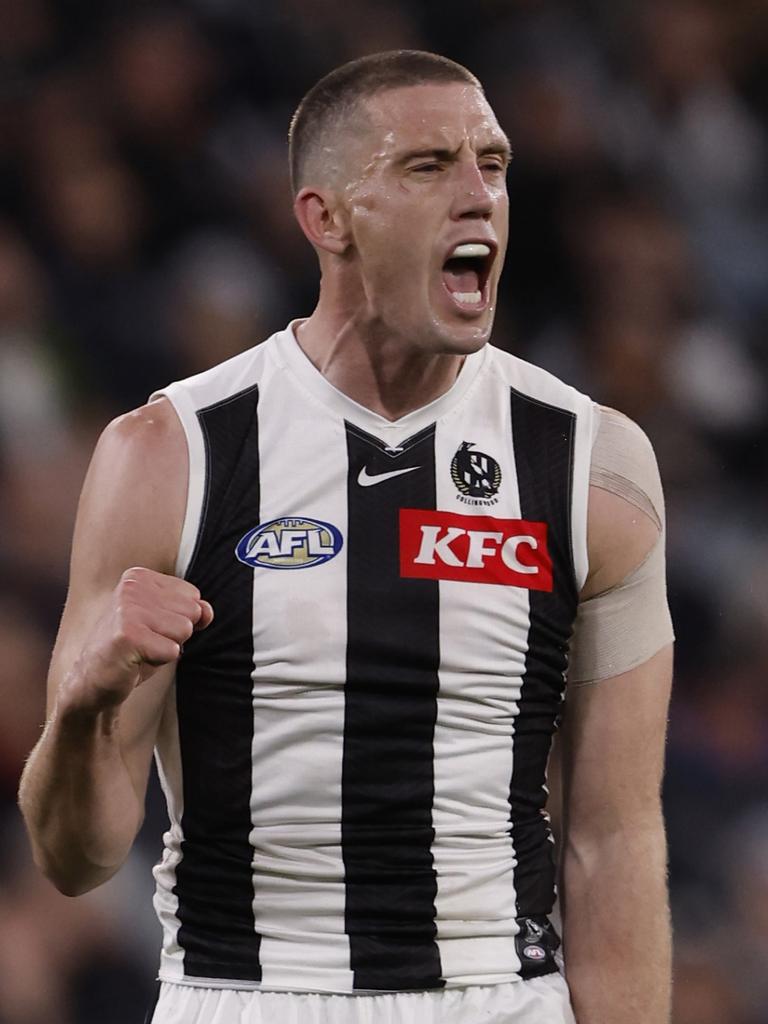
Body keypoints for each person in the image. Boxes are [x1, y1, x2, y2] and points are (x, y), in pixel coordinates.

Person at [18, 51, 674, 1024]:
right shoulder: (172, 456)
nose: (478, 195)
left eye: (491, 164)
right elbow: (74, 857)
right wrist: (84, 705)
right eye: (427, 166)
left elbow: (613, 838)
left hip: (498, 1000)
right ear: (326, 218)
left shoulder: (591, 468)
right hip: (249, 995)